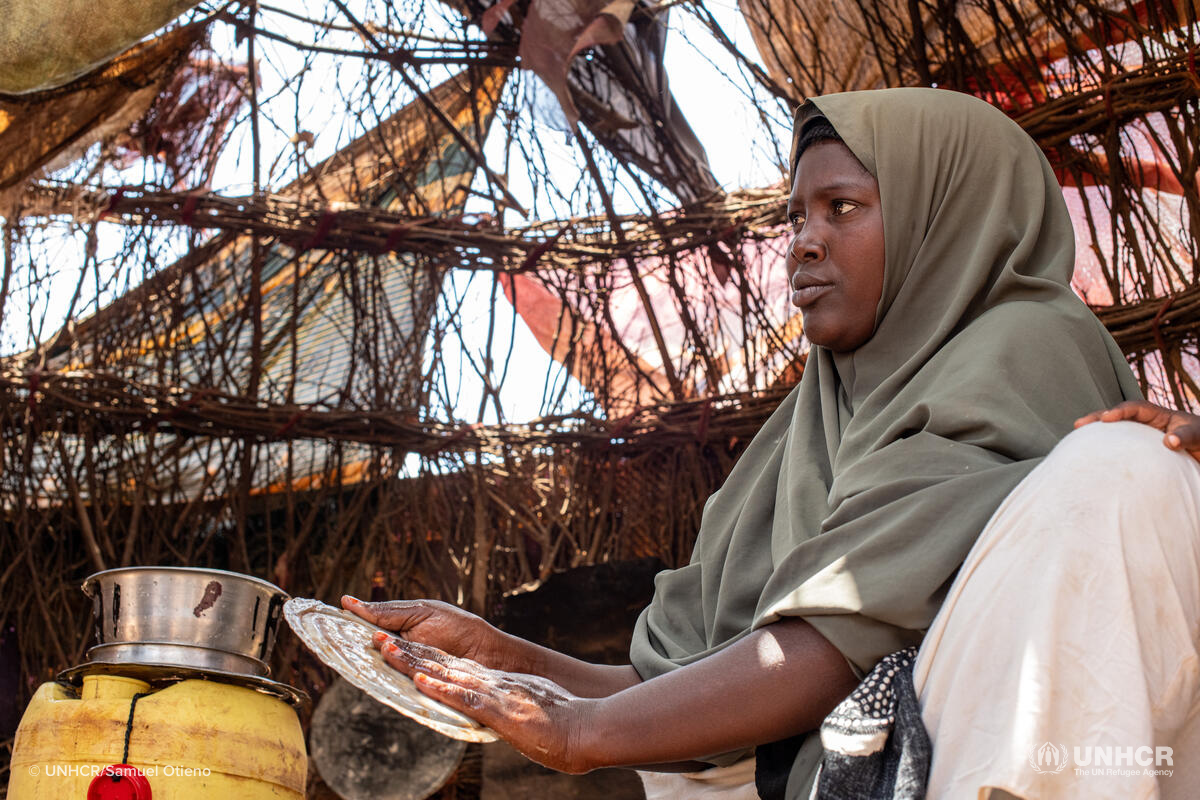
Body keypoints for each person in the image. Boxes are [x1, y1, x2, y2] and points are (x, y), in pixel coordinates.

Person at [342, 88, 1200, 799]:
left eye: (845, 208)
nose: (803, 242)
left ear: (950, 219)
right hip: (864, 768)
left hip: (1008, 765)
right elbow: (693, 683)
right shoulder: (812, 421)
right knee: (692, 759)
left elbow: (830, 648)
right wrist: (506, 658)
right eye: (795, 215)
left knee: (1123, 469)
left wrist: (585, 732)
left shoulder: (1024, 343)